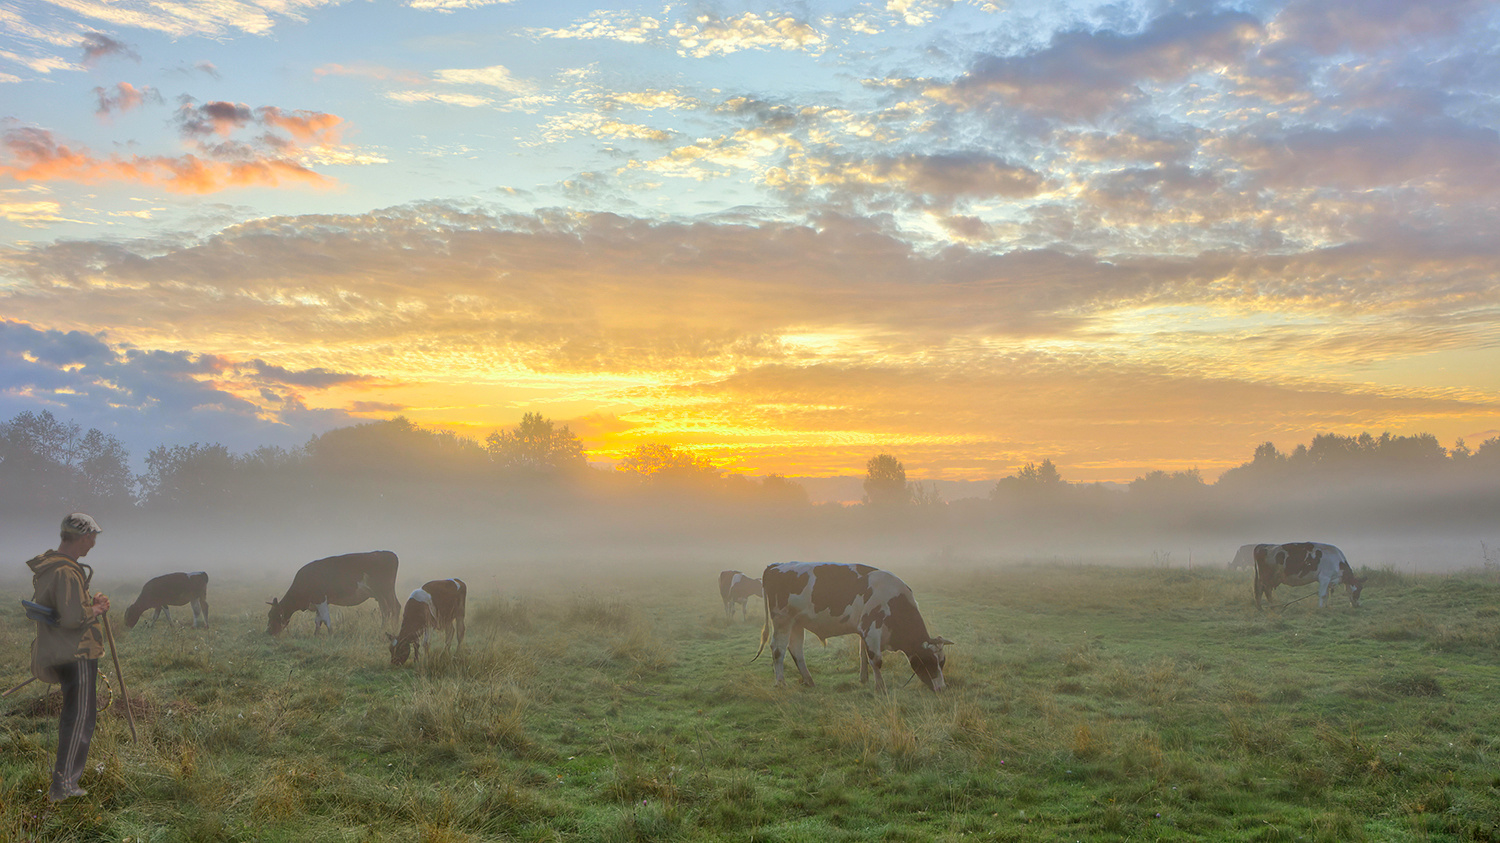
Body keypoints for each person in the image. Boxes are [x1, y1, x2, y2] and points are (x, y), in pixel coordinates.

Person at [26, 512, 111, 802]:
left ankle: (64, 783)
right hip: (77, 654)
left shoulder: (50, 567)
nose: (93, 544)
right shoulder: (66, 571)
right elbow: (74, 617)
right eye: (92, 538)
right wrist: (97, 607)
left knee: (74, 717)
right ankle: (64, 787)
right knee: (79, 719)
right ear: (82, 537)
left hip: (61, 651)